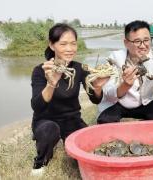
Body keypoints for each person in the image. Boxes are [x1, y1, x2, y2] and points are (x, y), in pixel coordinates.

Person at [30, 23, 108, 175]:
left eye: (73, 44)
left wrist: (97, 87)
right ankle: (39, 163)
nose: (69, 48)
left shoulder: (79, 68)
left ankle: (69, 141)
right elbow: (37, 107)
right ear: (52, 45)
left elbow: (96, 100)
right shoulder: (41, 70)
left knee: (91, 145)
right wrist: (51, 83)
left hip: (72, 120)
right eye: (63, 44)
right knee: (49, 131)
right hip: (45, 119)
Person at [96, 20, 153, 124]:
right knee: (105, 120)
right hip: (117, 103)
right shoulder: (115, 58)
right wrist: (125, 85)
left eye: (146, 40)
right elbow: (108, 94)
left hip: (145, 102)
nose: (143, 46)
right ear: (126, 43)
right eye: (137, 41)